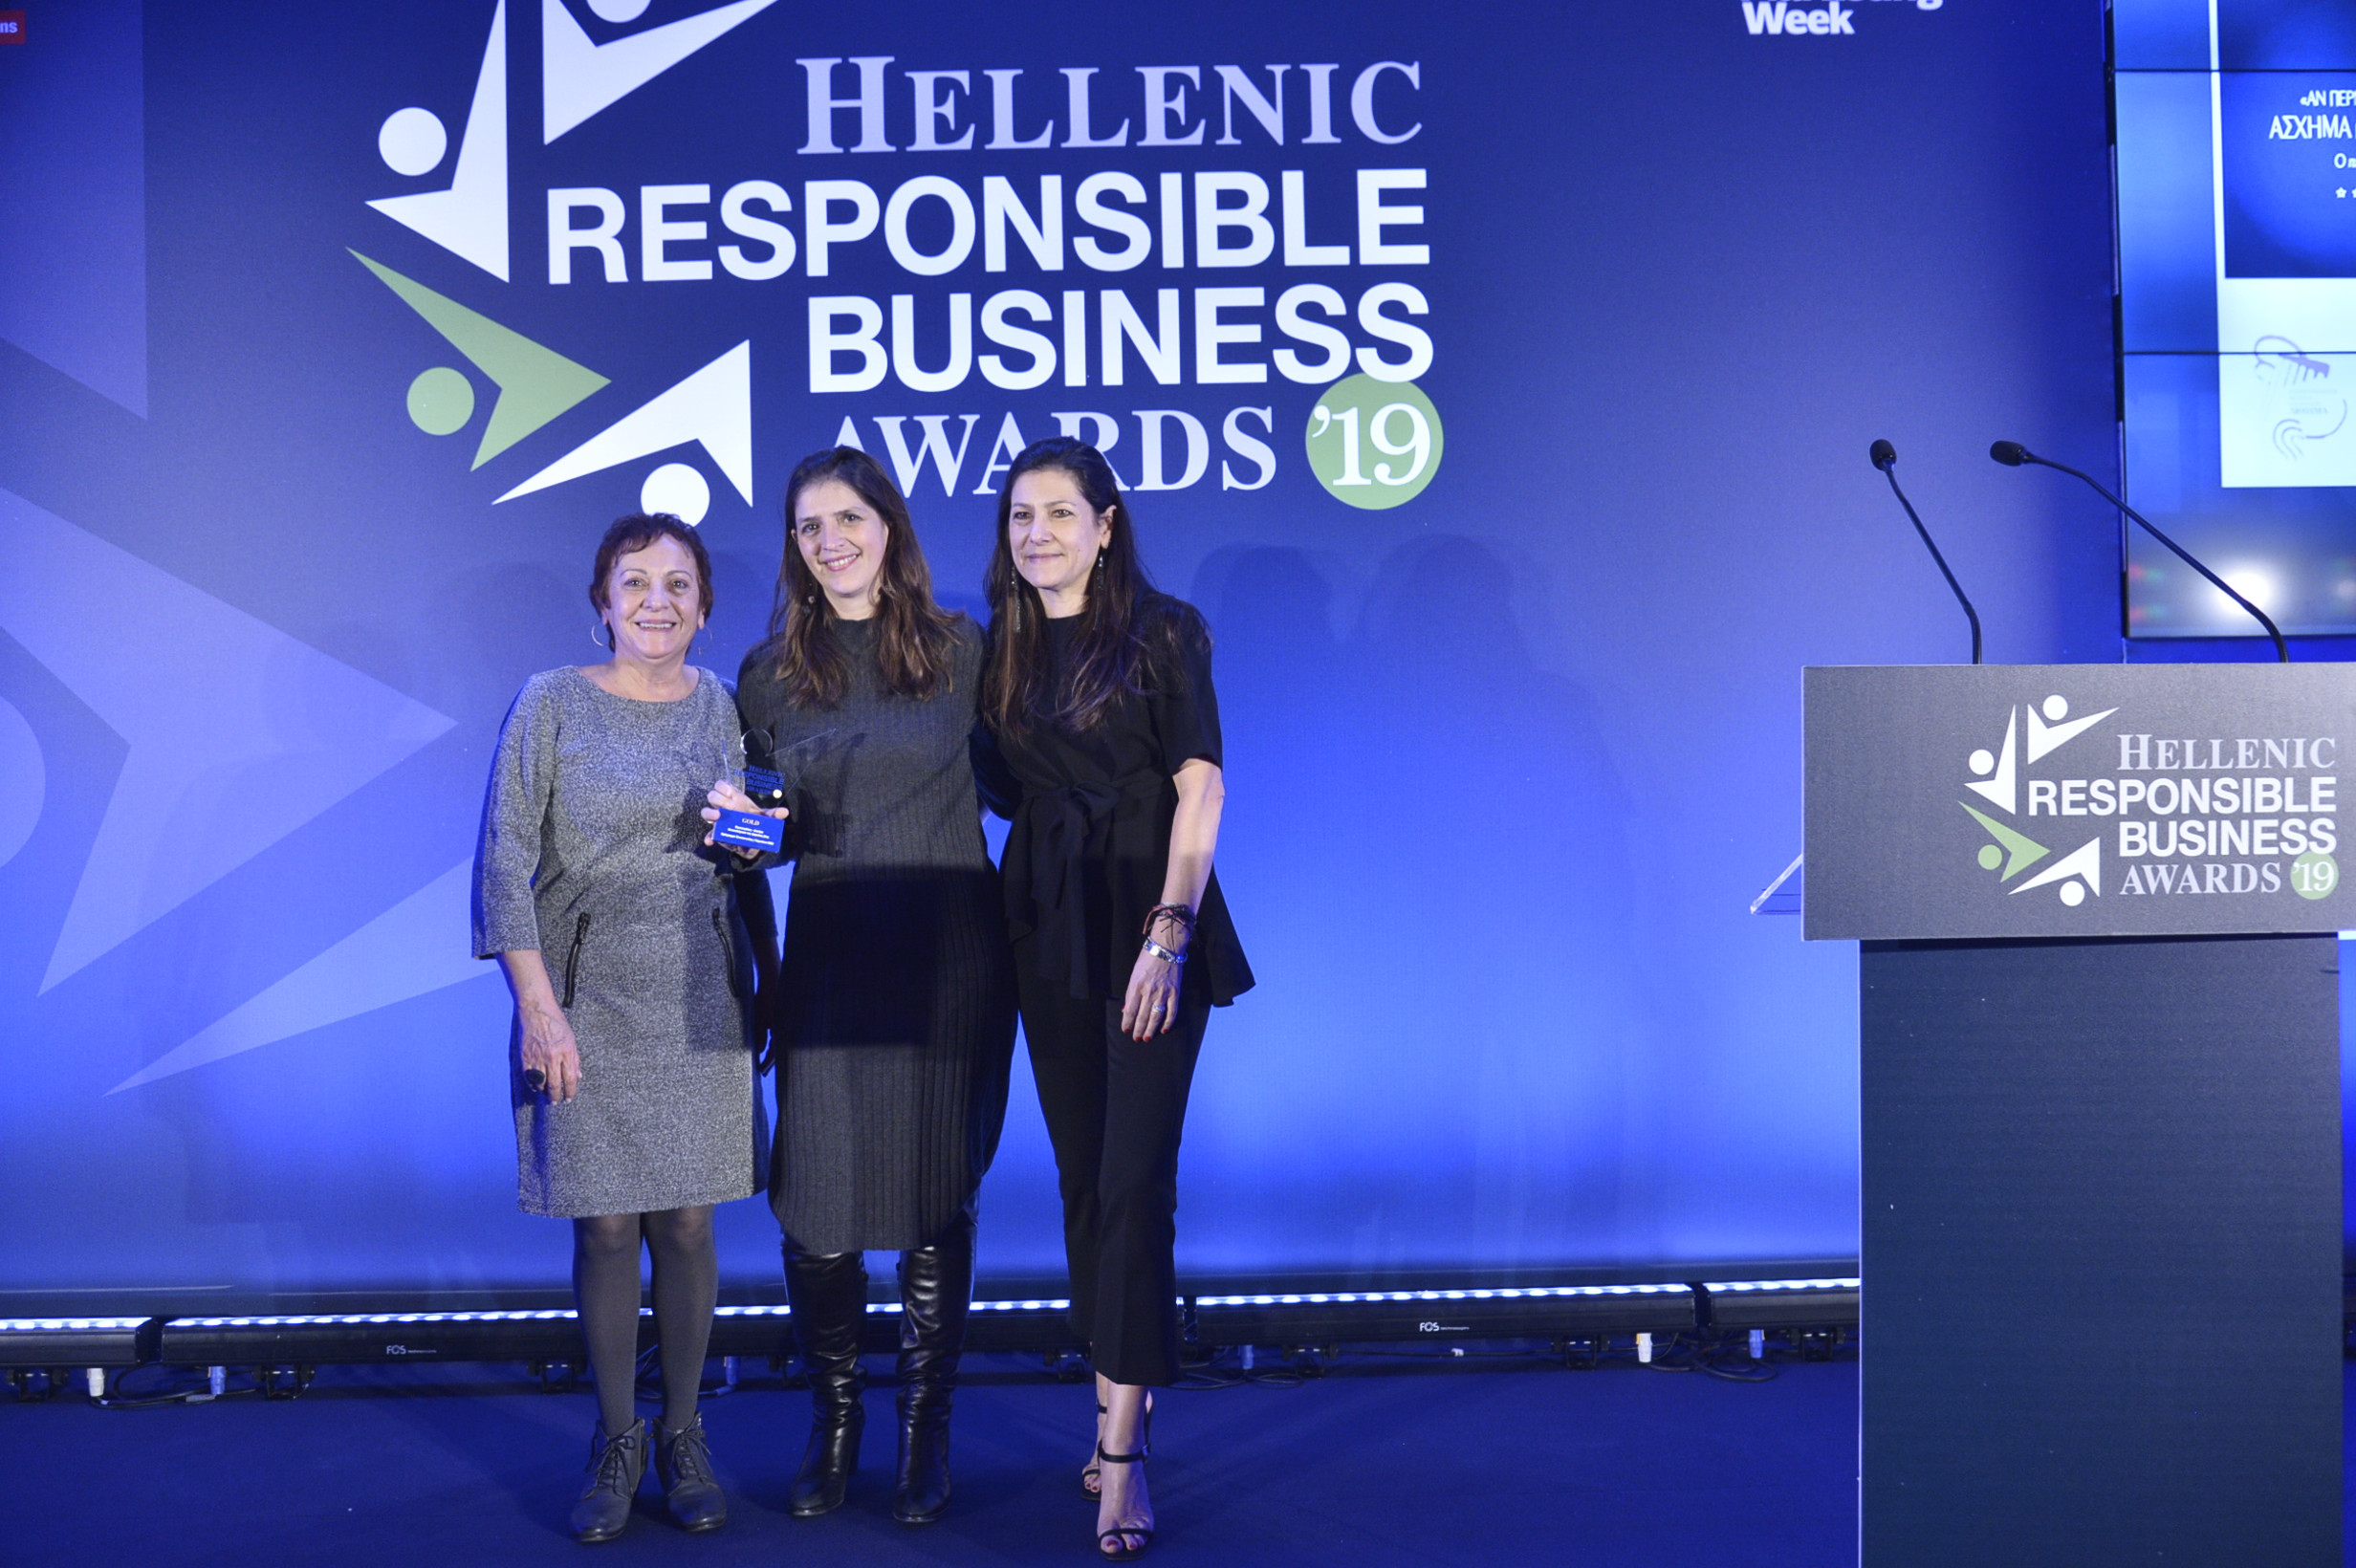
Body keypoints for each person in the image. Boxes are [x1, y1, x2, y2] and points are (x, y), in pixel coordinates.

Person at [704, 447, 1016, 1528]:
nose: (828, 539)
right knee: (819, 1202)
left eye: (847, 517)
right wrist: (736, 834)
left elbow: (1021, 780)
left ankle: (924, 1427)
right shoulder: (768, 674)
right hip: (832, 948)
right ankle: (833, 1417)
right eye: (806, 526)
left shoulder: (964, 648)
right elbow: (761, 834)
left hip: (949, 951)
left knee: (936, 1194)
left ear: (889, 524)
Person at [472, 512, 777, 1544]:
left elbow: (744, 850)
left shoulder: (722, 705)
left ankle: (684, 1432)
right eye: (635, 581)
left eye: (679, 584)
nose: (657, 600)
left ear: (702, 606)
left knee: (688, 1221)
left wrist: (757, 834)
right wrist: (537, 1006)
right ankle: (615, 1440)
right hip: (584, 993)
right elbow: (501, 861)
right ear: (602, 600)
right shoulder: (549, 702)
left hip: (700, 986)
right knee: (605, 1223)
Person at [978, 437, 1254, 1560]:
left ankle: (1126, 1454)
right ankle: (1113, 1400)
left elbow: (1202, 781)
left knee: (1136, 1179)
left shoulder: (1165, 627)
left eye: (1057, 511)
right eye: (1017, 516)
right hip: (1046, 921)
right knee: (1086, 1178)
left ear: (1105, 521)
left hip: (1150, 918)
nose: (1035, 532)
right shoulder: (992, 644)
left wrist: (1170, 930)